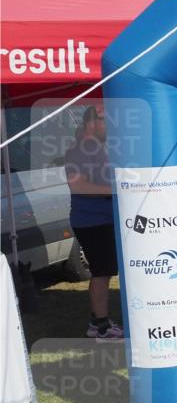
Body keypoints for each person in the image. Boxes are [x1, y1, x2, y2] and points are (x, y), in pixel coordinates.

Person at [64, 105, 123, 340]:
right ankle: (100, 326)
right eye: (104, 120)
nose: (110, 125)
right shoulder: (81, 149)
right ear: (91, 122)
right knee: (101, 272)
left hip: (100, 218)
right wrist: (116, 190)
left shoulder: (95, 148)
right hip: (92, 220)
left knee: (105, 271)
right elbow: (78, 185)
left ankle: (99, 320)